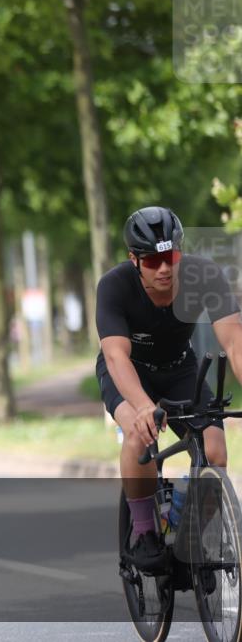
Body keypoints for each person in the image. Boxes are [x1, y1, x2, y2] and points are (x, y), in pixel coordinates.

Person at [96, 206, 242, 573]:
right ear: (134, 259)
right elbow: (115, 357)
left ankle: (192, 536)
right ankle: (145, 531)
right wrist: (143, 406)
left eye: (171, 256)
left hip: (180, 367)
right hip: (129, 372)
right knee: (137, 433)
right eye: (152, 260)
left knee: (215, 451)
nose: (163, 268)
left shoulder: (204, 276)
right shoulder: (114, 286)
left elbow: (236, 343)